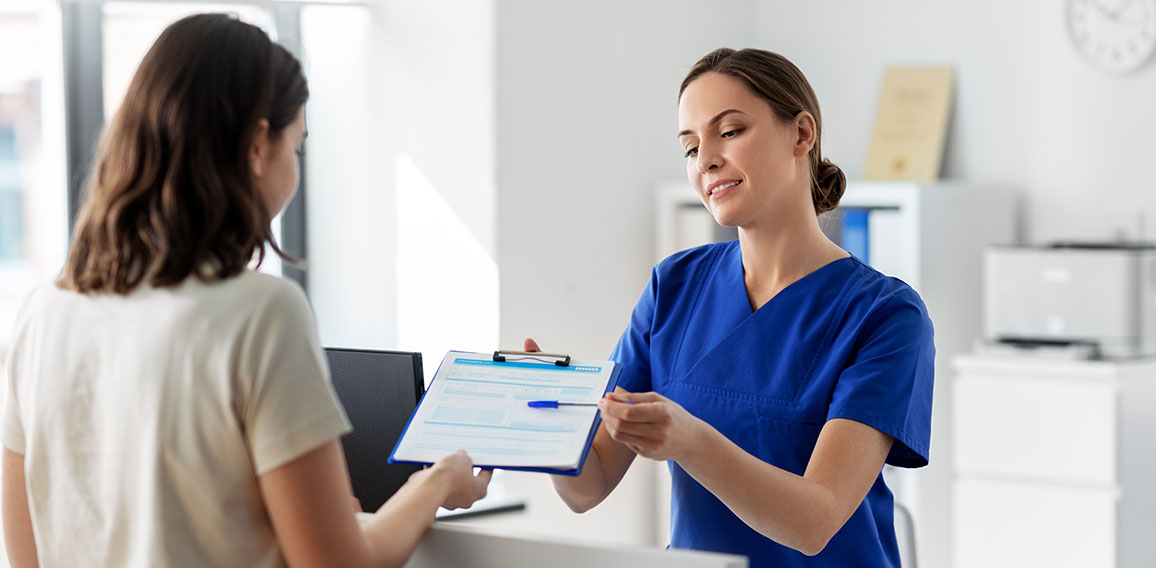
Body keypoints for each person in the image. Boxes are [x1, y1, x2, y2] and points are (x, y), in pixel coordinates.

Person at [1, 13, 489, 568]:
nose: (295, 171)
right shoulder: (262, 313)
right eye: (296, 146)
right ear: (259, 144)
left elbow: (30, 555)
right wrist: (436, 485)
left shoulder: (43, 313)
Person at [534, 47, 934, 567]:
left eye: (729, 131)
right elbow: (589, 486)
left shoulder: (884, 315)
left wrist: (689, 440)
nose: (705, 160)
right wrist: (540, 421)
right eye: (690, 146)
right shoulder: (673, 288)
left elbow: (814, 522)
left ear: (801, 134)